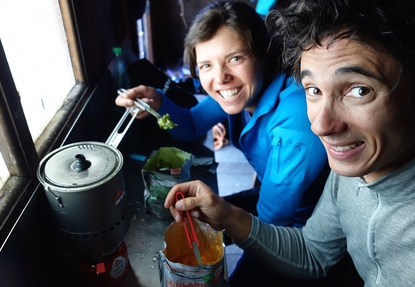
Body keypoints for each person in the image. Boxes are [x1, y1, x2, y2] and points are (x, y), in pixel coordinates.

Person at [164, 0, 415, 285]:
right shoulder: (350, 173)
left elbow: (275, 219)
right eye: (314, 89)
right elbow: (312, 252)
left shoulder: (298, 125)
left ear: (262, 56)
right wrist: (228, 217)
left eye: (360, 90)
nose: (320, 127)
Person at [115, 1, 328, 285]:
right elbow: (190, 124)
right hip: (276, 202)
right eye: (206, 65)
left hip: (307, 230)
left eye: (235, 58)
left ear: (263, 56)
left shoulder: (294, 120)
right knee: (191, 220)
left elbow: (270, 228)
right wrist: (158, 101)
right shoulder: (236, 90)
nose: (220, 78)